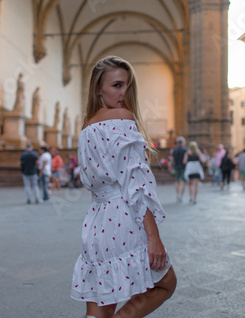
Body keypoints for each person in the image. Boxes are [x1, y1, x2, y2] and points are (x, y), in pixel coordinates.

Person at [71, 56, 176, 318]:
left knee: (99, 308)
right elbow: (136, 186)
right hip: (125, 219)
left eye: (127, 86)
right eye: (117, 85)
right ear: (99, 89)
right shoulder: (122, 118)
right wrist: (154, 237)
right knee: (166, 284)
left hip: (96, 224)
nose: (124, 93)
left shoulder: (86, 128)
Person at [170, 136, 187, 203]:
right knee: (182, 182)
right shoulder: (185, 149)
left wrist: (171, 166)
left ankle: (177, 195)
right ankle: (181, 196)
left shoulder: (175, 149)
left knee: (177, 181)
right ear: (183, 142)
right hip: (183, 167)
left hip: (176, 167)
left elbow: (172, 159)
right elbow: (185, 159)